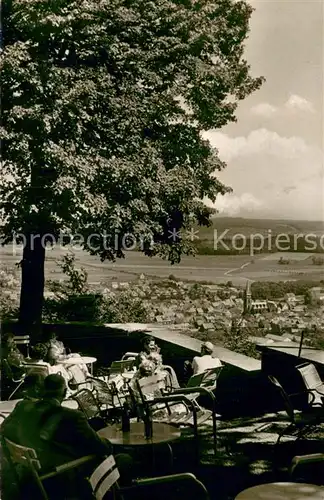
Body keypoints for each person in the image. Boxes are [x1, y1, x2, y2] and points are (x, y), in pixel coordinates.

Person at [1, 374, 133, 497]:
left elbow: (4, 430)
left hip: (32, 470)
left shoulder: (23, 406)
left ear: (42, 390)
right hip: (59, 475)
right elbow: (100, 448)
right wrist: (108, 443)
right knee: (124, 459)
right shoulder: (72, 416)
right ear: (64, 393)